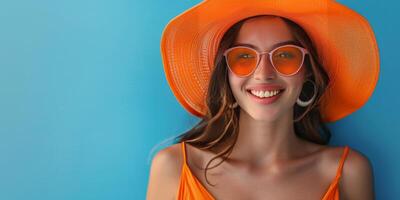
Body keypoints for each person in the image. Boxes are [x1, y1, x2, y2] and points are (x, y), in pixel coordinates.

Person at [147, 0, 379, 199]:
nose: (264, 73)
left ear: (307, 71)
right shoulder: (174, 168)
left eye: (285, 55)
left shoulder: (349, 172)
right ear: (225, 73)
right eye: (245, 56)